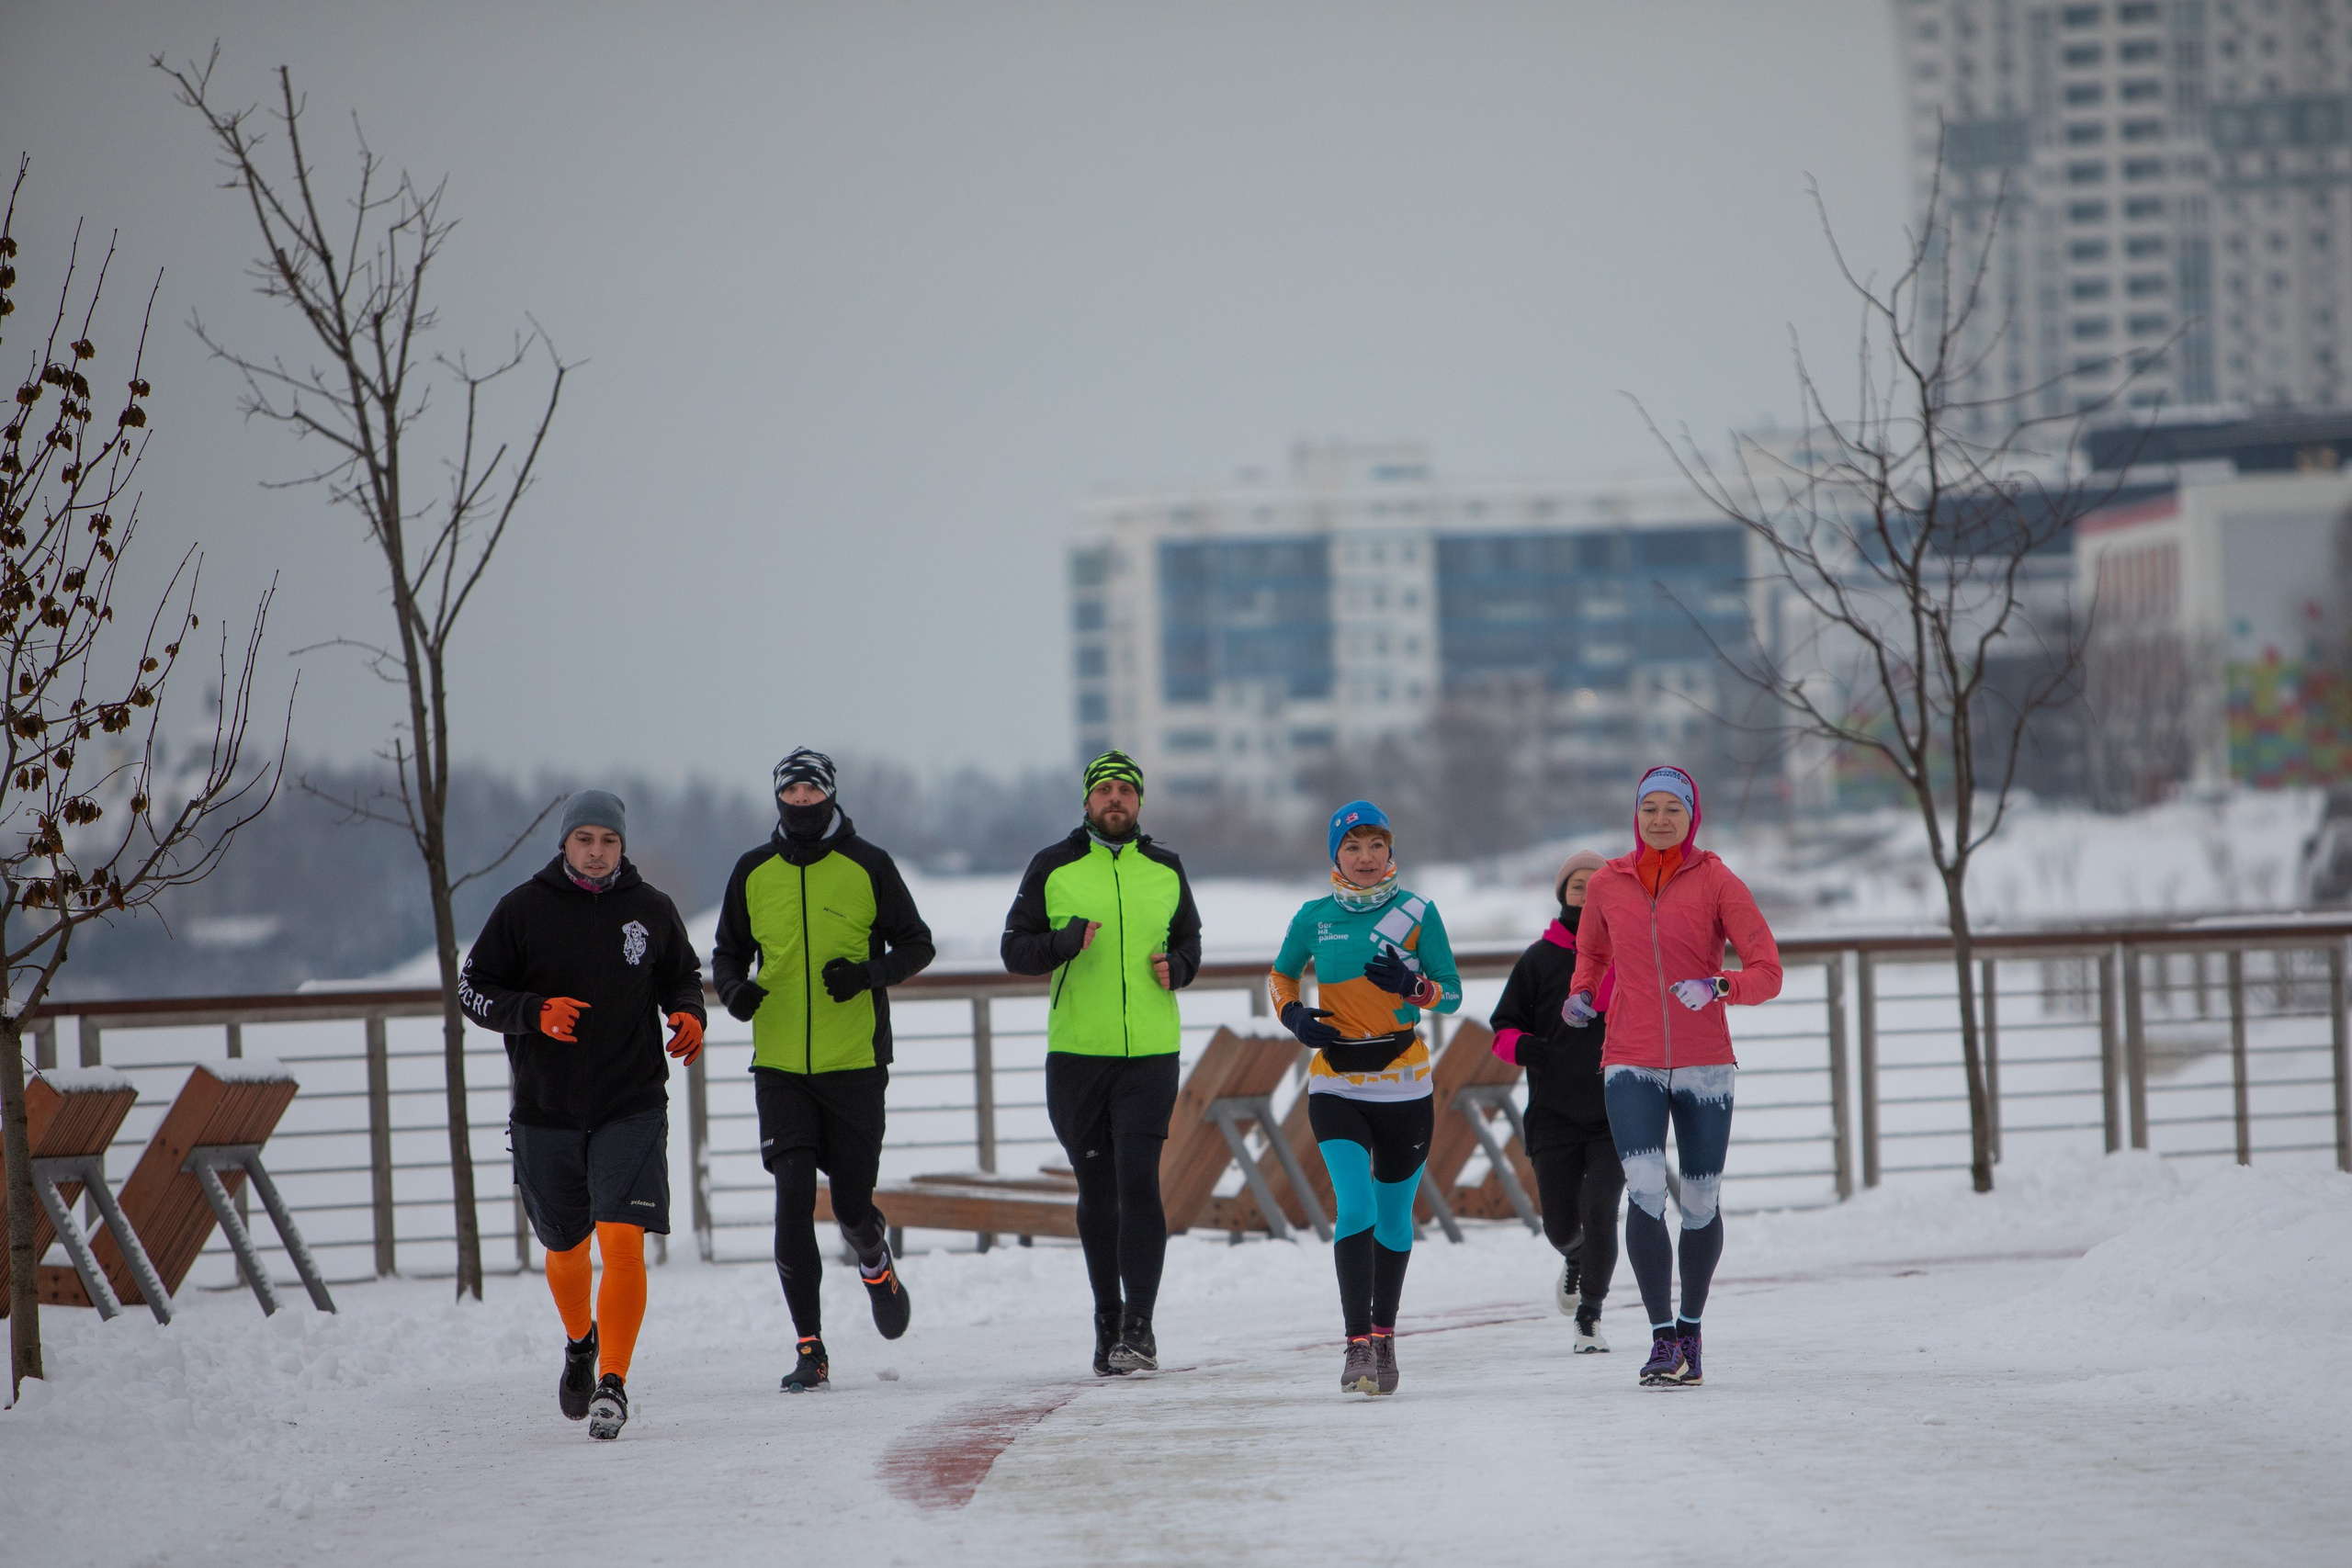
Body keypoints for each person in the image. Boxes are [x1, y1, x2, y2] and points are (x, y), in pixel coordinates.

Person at [459, 790, 707, 1441]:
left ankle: (614, 1382)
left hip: (631, 1101)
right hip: (547, 1108)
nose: (597, 852)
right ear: (565, 843)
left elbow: (682, 974)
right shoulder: (523, 910)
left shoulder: (650, 909)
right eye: (585, 839)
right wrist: (533, 1012)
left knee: (622, 1239)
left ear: (623, 847)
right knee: (565, 1247)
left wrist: (689, 1013)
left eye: (609, 841)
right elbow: (473, 988)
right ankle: (580, 1341)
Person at [712, 749, 935, 1394]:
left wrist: (870, 974)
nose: (803, 803)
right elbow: (728, 951)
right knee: (790, 1201)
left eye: (813, 794)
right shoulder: (752, 871)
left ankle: (875, 1260)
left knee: (851, 1203)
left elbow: (917, 942)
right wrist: (732, 989)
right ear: (778, 799)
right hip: (780, 1064)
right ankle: (811, 1347)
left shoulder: (869, 865)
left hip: (855, 1063)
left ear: (831, 797)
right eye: (793, 795)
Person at [1559, 765, 1781, 1388]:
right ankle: (1661, 1340)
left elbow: (1768, 969)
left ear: (1692, 816)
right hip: (1629, 1057)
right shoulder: (1607, 881)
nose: (1659, 818)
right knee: (1646, 1191)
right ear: (1636, 815)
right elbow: (1593, 952)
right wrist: (1582, 993)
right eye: (1648, 807)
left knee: (1702, 1201)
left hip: (1705, 1060)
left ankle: (1690, 1329)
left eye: (1672, 809)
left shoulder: (1717, 880)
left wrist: (1717, 985)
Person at [1001, 750, 1203, 1377]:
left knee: (1139, 1179)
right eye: (1104, 789)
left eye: (1125, 790)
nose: (1115, 799)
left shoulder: (1166, 868)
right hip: (1077, 1056)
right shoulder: (1053, 867)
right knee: (1098, 1188)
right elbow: (1014, 949)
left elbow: (1189, 939)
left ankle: (1139, 1327)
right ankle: (1107, 1317)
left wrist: (1182, 966)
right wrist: (1060, 944)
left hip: (1150, 1051)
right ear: (1087, 800)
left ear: (1139, 801)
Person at [1268, 800, 1461, 1397]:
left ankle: (1384, 1335)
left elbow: (1450, 994)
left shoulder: (1417, 912)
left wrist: (1416, 986)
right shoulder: (1313, 916)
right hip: (1336, 1080)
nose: (1366, 857)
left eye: (1376, 845)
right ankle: (1355, 1346)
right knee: (1354, 1208)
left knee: (1396, 1216)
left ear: (1390, 852)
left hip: (1404, 1079)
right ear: (1336, 856)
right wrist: (1295, 1014)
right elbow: (1279, 976)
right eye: (1353, 846)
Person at [1489, 849, 1623, 1352]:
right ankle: (1573, 1256)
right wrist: (1530, 1048)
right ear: (1563, 895)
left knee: (1601, 1207)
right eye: (1577, 886)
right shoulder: (1538, 960)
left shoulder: (1628, 953)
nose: (1587, 894)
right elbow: (1502, 1031)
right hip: (1552, 1116)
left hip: (1616, 1112)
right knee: (1562, 1226)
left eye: (1597, 885)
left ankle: (1590, 1316)